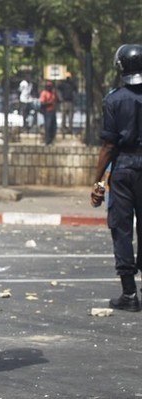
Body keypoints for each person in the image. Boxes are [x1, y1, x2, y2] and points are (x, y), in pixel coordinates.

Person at [90, 43, 142, 312]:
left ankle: (129, 294)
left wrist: (97, 179)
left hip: (123, 169)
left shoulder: (114, 99)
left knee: (121, 228)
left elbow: (109, 145)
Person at [39, 80, 58, 145]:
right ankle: (47, 140)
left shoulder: (53, 93)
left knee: (53, 126)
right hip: (47, 111)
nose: (50, 87)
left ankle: (52, 140)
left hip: (53, 111)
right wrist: (50, 103)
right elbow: (42, 103)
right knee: (48, 126)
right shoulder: (44, 93)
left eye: (51, 86)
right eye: (49, 86)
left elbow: (58, 100)